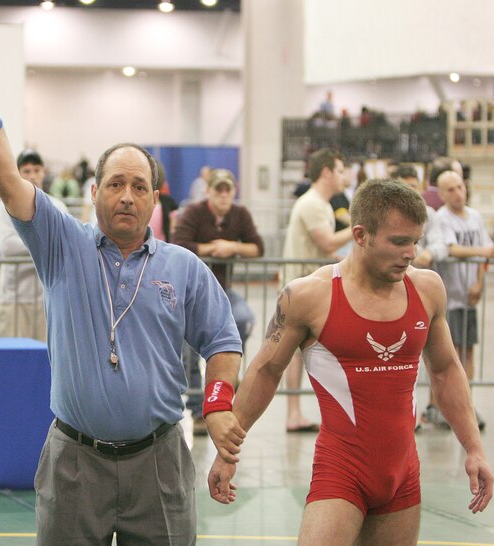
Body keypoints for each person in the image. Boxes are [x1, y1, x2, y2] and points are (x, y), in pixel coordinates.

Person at [0, 64, 244, 545]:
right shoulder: (62, 244)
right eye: (115, 184)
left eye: (139, 187)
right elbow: (6, 177)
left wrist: (217, 404)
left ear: (155, 200)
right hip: (75, 461)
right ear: (94, 191)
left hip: (159, 460)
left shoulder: (184, 267)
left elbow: (223, 341)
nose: (127, 197)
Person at [209, 179, 493, 545]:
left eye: (415, 241)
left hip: (404, 474)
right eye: (398, 242)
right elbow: (265, 371)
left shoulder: (427, 288)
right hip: (341, 471)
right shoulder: (309, 295)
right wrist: (227, 454)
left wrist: (474, 448)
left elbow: (445, 369)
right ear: (360, 235)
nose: (411, 253)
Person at [173, 167, 263, 435]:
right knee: (189, 347)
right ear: (209, 191)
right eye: (218, 190)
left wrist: (233, 247)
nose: (224, 195)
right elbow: (179, 243)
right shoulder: (193, 212)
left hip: (224, 291)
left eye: (228, 190)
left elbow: (258, 247)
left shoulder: (240, 214)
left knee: (244, 319)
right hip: (190, 292)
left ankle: (229, 368)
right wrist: (212, 248)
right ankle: (197, 406)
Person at [282, 148, 353, 433]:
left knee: (305, 352)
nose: (343, 176)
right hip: (301, 288)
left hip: (309, 286)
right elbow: (326, 243)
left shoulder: (320, 204)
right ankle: (294, 412)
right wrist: (363, 227)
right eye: (338, 170)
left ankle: (302, 412)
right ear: (326, 172)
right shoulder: (312, 203)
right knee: (294, 353)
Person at [430, 169, 494, 430]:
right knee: (447, 354)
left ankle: (465, 402)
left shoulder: (475, 217)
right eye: (451, 189)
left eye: (460, 187)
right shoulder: (443, 219)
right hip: (450, 297)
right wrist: (481, 251)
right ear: (442, 194)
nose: (458, 193)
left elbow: (485, 255)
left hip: (468, 297)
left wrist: (479, 282)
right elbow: (451, 248)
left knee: (467, 351)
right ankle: (440, 406)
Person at [0, 148, 67, 340]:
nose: (32, 176)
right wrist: (46, 244)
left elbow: (64, 243)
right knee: (13, 360)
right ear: (17, 174)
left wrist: (40, 245)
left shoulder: (57, 207)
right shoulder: (4, 207)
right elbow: (7, 246)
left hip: (49, 299)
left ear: (44, 173)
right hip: (15, 299)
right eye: (26, 171)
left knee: (47, 361)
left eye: (36, 170)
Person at [394, 165, 447, 269]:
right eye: (404, 188)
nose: (409, 193)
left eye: (413, 187)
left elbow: (440, 243)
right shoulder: (389, 215)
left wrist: (430, 253)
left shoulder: (429, 213)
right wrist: (418, 252)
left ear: (420, 188)